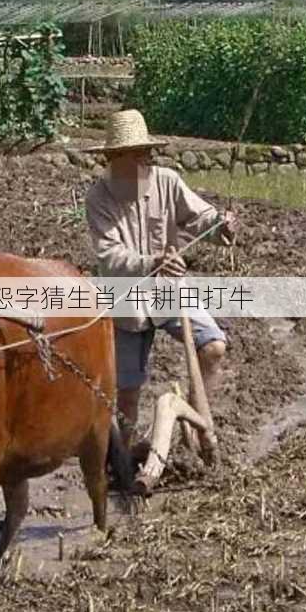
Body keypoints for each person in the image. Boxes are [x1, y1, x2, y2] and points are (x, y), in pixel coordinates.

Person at [85, 109, 239, 447]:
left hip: (169, 292)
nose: (145, 162)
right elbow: (110, 257)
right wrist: (153, 261)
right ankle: (123, 460)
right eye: (136, 155)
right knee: (127, 394)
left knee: (213, 348)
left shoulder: (166, 181)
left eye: (146, 154)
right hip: (126, 302)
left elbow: (200, 218)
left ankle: (195, 420)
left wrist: (220, 225)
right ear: (113, 159)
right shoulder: (99, 198)